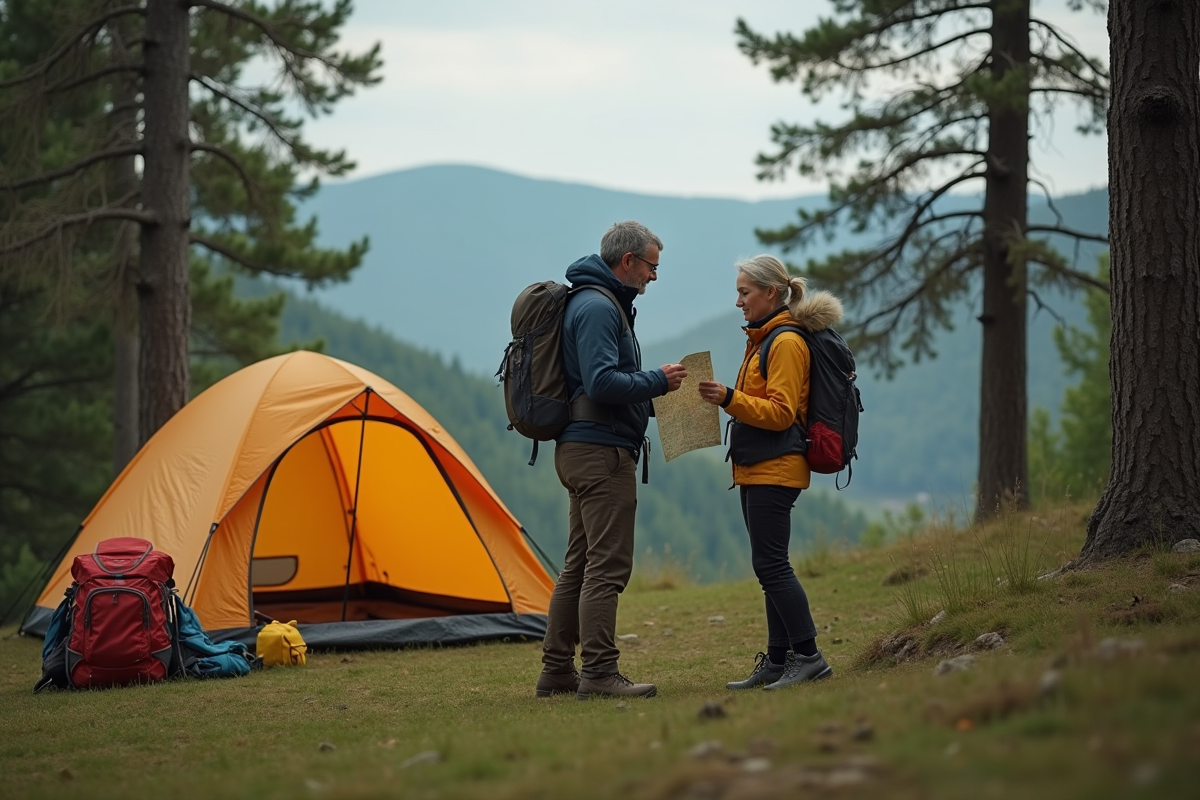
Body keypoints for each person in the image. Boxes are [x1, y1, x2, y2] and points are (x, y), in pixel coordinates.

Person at [535, 220, 688, 700]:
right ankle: (599, 673)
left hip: (580, 447)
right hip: (601, 452)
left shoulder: (590, 300)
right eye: (651, 266)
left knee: (578, 563)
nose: (654, 277)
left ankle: (558, 670)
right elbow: (601, 383)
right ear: (628, 262)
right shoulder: (600, 308)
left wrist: (649, 393)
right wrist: (658, 382)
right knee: (606, 566)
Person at [697, 254, 841, 691]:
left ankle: (810, 656)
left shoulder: (786, 342)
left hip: (776, 467)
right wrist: (729, 395)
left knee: (772, 565)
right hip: (758, 466)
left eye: (744, 292)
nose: (738, 301)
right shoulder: (763, 338)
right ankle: (778, 661)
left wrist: (727, 397)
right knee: (769, 566)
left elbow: (780, 414)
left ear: (771, 293)